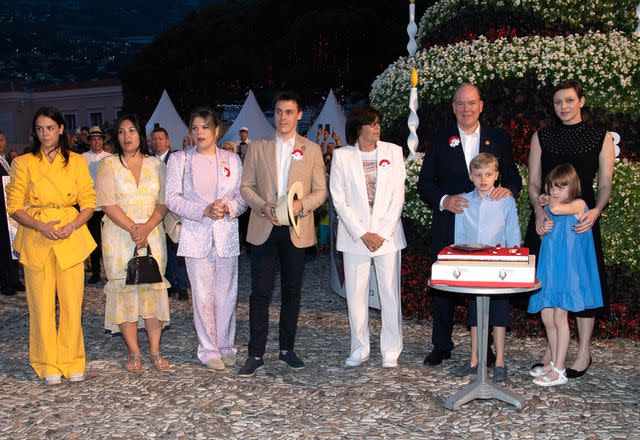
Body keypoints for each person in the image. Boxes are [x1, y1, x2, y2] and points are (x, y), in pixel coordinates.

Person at [417, 83, 521, 366]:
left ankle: (485, 350)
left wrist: (507, 190)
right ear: (453, 107)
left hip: (488, 229)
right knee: (445, 287)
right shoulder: (440, 138)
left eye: (472, 103)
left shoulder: (498, 138)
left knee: (486, 288)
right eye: (461, 104)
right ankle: (441, 345)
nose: (467, 109)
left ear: (481, 105)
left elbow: (513, 178)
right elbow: (424, 182)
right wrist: (443, 199)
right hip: (450, 222)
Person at [525, 80, 614, 378]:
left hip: (580, 223)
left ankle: (584, 351)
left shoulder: (599, 136)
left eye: (569, 100)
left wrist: (596, 211)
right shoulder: (542, 136)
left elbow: (604, 183)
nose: (563, 107)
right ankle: (553, 352)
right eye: (558, 102)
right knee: (548, 283)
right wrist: (538, 212)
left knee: (581, 284)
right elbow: (534, 182)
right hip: (547, 221)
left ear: (581, 101)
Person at [238, 91, 327, 377]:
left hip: (295, 229)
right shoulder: (257, 147)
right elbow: (245, 187)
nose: (283, 117)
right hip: (264, 226)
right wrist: (262, 205)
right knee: (259, 293)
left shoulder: (311, 150)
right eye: (278, 112)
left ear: (299, 115)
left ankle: (287, 349)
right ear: (273, 114)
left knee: (292, 292)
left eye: (289, 112)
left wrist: (301, 205)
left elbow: (321, 191)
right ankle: (256, 353)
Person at [6, 107, 96, 385]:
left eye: (49, 127)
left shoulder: (77, 161)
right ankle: (46, 363)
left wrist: (72, 225)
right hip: (37, 236)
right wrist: (41, 226)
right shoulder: (23, 163)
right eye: (39, 128)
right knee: (41, 305)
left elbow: (89, 201)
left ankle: (72, 360)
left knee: (72, 304)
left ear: (60, 129)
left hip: (70, 233)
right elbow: (14, 206)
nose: (45, 134)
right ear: (35, 132)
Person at [166, 107, 246, 370]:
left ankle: (226, 345)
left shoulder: (232, 160)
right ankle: (208, 349)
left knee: (227, 293)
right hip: (195, 234)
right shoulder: (180, 160)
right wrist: (202, 210)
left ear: (216, 130)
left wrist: (228, 209)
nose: (199, 132)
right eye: (194, 127)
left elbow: (242, 197)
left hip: (225, 233)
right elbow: (172, 199)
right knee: (201, 294)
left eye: (204, 127)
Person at [330, 106, 406, 368]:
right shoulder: (341, 156)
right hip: (355, 237)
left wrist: (381, 233)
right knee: (356, 293)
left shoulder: (393, 152)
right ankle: (359, 347)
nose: (377, 128)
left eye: (378, 123)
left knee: (389, 292)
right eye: (371, 124)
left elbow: (398, 196)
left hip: (388, 237)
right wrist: (363, 233)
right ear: (358, 127)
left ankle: (391, 350)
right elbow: (339, 199)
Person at [95, 114, 171, 373]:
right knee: (125, 296)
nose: (126, 137)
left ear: (140, 134)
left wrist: (147, 227)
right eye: (120, 132)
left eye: (131, 131)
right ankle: (135, 353)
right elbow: (106, 202)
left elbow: (164, 202)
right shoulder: (108, 165)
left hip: (152, 235)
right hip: (119, 237)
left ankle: (154, 350)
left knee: (152, 294)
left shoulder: (156, 165)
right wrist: (132, 228)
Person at [528, 164, 603, 386]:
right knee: (547, 316)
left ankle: (560, 369)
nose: (555, 192)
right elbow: (548, 237)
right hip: (551, 268)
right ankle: (552, 363)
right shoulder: (553, 209)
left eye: (561, 187)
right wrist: (544, 229)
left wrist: (545, 202)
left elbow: (559, 209)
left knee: (561, 316)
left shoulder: (579, 205)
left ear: (573, 187)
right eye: (552, 187)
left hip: (568, 272)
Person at [449, 153, 520, 382]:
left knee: (499, 314)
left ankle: (500, 361)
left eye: (488, 175)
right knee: (475, 315)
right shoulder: (464, 202)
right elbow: (459, 236)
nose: (483, 179)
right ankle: (474, 359)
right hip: (473, 265)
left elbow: (512, 232)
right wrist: (458, 260)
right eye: (478, 175)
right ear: (471, 176)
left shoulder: (505, 200)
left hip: (498, 265)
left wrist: (515, 257)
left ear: (496, 176)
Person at [151, 126, 189, 301]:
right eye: (154, 139)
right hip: (154, 210)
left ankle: (181, 286)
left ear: (167, 141)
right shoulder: (148, 161)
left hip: (174, 211)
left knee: (176, 248)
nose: (157, 142)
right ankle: (166, 283)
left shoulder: (176, 159)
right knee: (160, 248)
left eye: (160, 139)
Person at [82, 126, 111, 284]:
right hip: (91, 204)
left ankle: (109, 270)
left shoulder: (110, 157)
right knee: (94, 239)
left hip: (107, 203)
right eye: (93, 139)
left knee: (108, 238)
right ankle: (95, 271)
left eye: (99, 139)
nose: (96, 141)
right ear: (90, 141)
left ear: (102, 141)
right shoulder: (83, 158)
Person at [0, 130, 25, 296]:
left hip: (11, 210)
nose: (0, 143)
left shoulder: (7, 160)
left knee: (13, 244)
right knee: (2, 247)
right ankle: (4, 282)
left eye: (1, 140)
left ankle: (14, 279)